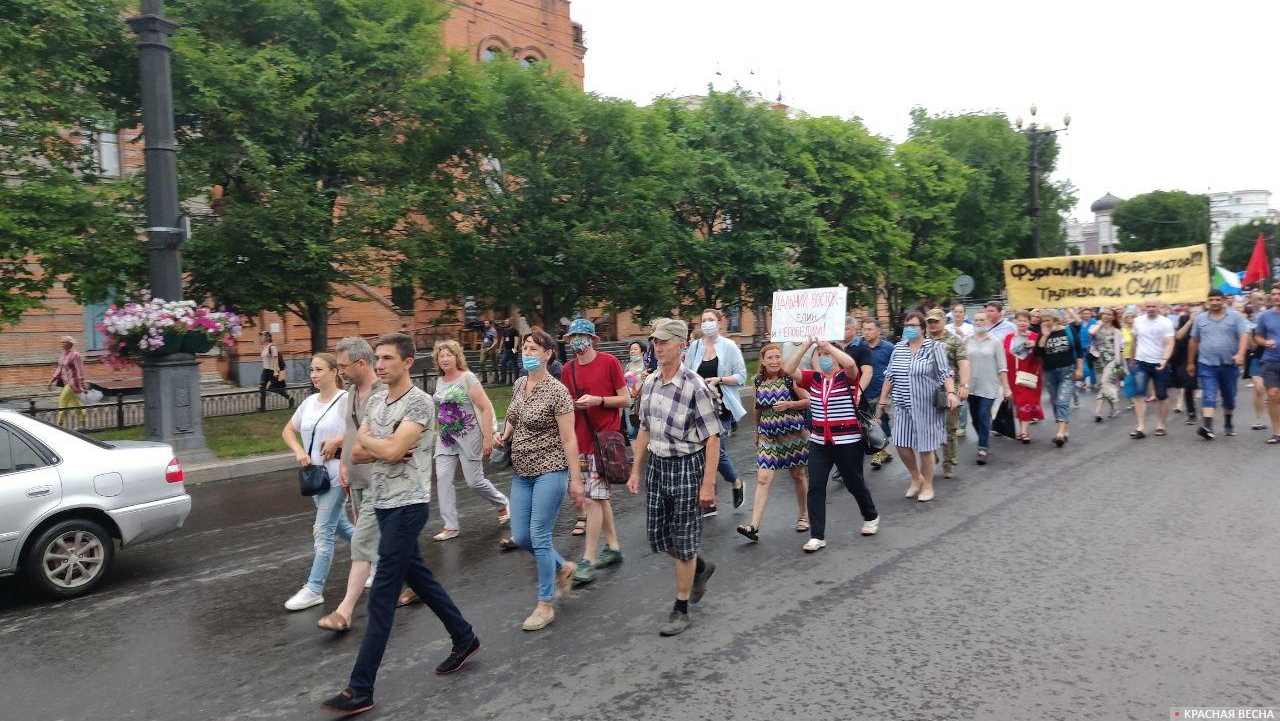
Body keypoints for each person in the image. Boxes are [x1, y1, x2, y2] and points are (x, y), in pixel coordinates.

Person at [322, 334, 479, 715]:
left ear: (408, 362)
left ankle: (360, 688)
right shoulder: (375, 400)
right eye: (377, 358)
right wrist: (384, 444)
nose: (380, 365)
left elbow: (386, 449)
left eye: (388, 358)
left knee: (382, 595)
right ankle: (464, 636)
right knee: (420, 577)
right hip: (380, 502)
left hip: (409, 506)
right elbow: (358, 449)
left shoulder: (421, 403)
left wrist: (382, 444)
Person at [627, 318, 722, 637]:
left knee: (682, 541)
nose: (658, 346)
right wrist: (635, 470)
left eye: (664, 341)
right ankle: (699, 566)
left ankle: (680, 609)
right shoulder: (650, 382)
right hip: (657, 465)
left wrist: (708, 483)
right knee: (658, 537)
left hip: (687, 466)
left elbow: (712, 437)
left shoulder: (695, 385)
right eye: (655, 341)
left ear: (682, 345)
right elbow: (643, 428)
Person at [495, 329, 585, 630]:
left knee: (540, 535)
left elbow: (569, 438)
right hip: (522, 472)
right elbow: (513, 416)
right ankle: (563, 568)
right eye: (525, 348)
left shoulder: (558, 392)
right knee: (521, 537)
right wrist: (503, 436)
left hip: (551, 470)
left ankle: (545, 605)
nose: (527, 353)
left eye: (534, 349)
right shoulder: (520, 383)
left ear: (547, 354)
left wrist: (575, 480)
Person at [783, 337, 880, 551]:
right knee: (816, 486)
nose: (824, 357)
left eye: (827, 354)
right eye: (821, 355)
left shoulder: (846, 378)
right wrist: (808, 346)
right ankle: (817, 535)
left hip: (847, 442)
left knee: (854, 482)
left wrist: (830, 348)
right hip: (819, 442)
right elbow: (789, 369)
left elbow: (852, 365)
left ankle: (871, 516)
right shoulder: (813, 378)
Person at [317, 337, 384, 633]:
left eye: (343, 366)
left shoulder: (384, 393)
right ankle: (412, 584)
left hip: (380, 481)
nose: (340, 371)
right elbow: (350, 430)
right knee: (386, 542)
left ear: (361, 363)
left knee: (362, 541)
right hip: (356, 477)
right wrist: (344, 464)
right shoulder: (353, 392)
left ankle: (344, 610)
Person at [559, 319, 628, 585]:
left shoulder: (609, 362)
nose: (577, 340)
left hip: (605, 441)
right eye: (572, 336)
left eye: (581, 335)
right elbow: (565, 403)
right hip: (581, 440)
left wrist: (598, 401)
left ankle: (587, 560)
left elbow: (625, 398)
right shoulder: (568, 369)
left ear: (592, 338)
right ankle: (613, 547)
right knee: (600, 498)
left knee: (594, 498)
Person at [280, 353, 352, 612]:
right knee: (341, 527)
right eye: (312, 369)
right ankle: (377, 558)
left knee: (323, 532)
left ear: (334, 372)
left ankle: (314, 588)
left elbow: (361, 429)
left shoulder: (345, 400)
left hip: (336, 476)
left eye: (319, 369)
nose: (314, 374)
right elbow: (288, 430)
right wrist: (299, 452)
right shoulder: (309, 403)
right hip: (315, 478)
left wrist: (339, 441)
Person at [430, 340, 509, 542]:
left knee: (474, 482)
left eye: (449, 354)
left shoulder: (467, 378)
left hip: (470, 436)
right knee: (443, 479)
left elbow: (486, 408)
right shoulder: (440, 381)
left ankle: (501, 503)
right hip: (446, 439)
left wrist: (487, 438)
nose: (445, 359)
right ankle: (450, 525)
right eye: (441, 355)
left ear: (457, 357)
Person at [879, 312, 958, 502]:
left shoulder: (934, 347)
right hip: (902, 405)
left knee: (925, 448)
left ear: (922, 328)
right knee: (901, 443)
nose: (909, 329)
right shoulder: (898, 348)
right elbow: (890, 375)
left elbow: (944, 373)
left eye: (913, 325)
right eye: (906, 325)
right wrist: (882, 400)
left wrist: (951, 393)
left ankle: (928, 485)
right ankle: (916, 477)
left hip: (926, 407)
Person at [737, 343, 810, 541]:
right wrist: (757, 429)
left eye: (778, 357)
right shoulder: (757, 381)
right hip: (768, 435)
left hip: (793, 435)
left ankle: (803, 515)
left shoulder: (789, 378)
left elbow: (808, 401)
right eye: (770, 357)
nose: (775, 361)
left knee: (797, 476)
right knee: (763, 478)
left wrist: (790, 404)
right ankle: (754, 526)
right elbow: (757, 408)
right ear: (763, 360)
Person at [682, 308, 748, 516]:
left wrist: (720, 380)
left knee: (715, 451)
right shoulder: (695, 346)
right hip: (699, 407)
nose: (707, 323)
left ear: (720, 322)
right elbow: (686, 372)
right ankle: (709, 500)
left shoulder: (729, 347)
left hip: (721, 406)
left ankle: (736, 481)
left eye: (711, 320)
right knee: (701, 453)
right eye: (703, 320)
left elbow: (742, 376)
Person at [1189, 289, 1250, 440]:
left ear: (1223, 301)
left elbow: (1243, 335)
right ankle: (1208, 427)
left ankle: (1228, 423)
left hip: (1229, 364)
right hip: (1207, 364)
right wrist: (1190, 362)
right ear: (1207, 302)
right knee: (1208, 393)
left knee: (1229, 397)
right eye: (1211, 300)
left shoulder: (1235, 317)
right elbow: (1194, 341)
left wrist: (1241, 354)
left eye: (1217, 299)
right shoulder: (1200, 319)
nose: (1214, 302)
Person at [925, 308, 969, 478]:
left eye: (936, 321)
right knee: (927, 428)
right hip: (927, 391)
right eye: (930, 321)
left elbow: (963, 363)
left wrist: (964, 385)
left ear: (944, 321)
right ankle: (931, 456)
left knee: (949, 429)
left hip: (950, 390)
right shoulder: (923, 341)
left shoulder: (954, 341)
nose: (933, 324)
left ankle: (949, 463)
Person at [964, 310, 1010, 465]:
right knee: (975, 419)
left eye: (982, 320)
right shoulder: (967, 340)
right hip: (971, 386)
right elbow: (961, 363)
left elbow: (1002, 367)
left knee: (984, 415)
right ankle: (984, 437)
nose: (978, 323)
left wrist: (1006, 387)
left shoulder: (995, 341)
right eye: (976, 320)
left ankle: (982, 448)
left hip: (989, 385)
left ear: (987, 321)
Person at [1034, 310, 1083, 447]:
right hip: (1050, 372)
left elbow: (1079, 351)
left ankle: (1060, 433)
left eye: (1048, 320)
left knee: (1063, 400)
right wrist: (1044, 337)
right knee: (1055, 401)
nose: (1045, 323)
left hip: (1067, 371)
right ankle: (1063, 428)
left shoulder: (1068, 330)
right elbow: (1037, 353)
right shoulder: (1042, 334)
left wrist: (1079, 369)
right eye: (1043, 321)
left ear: (1055, 320)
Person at [1130, 298, 1176, 439]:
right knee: (1138, 394)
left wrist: (1164, 359)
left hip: (1159, 363)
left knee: (1162, 395)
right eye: (1148, 306)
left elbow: (1169, 343)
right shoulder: (1138, 321)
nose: (1151, 308)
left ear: (1159, 307)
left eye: (1153, 306)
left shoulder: (1165, 322)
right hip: (1141, 362)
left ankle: (1161, 425)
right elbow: (1135, 341)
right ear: (1144, 307)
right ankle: (1141, 427)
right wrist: (1132, 360)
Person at [858, 319, 896, 470]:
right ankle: (881, 451)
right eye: (864, 329)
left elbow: (894, 370)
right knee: (869, 425)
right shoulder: (860, 348)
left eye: (870, 329)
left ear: (878, 331)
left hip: (884, 393)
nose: (866, 332)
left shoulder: (889, 348)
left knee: (882, 423)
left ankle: (879, 452)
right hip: (865, 392)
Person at [1004, 310, 1044, 442]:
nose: (1022, 323)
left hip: (1028, 373)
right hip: (1011, 374)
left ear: (1029, 322)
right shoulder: (1009, 337)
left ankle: (1024, 431)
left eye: (1025, 320)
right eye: (1019, 320)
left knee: (1024, 401)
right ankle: (1023, 427)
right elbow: (1005, 354)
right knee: (1017, 402)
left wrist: (1034, 346)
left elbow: (1041, 355)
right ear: (1015, 321)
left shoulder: (1035, 336)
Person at [1250, 286, 1280, 444]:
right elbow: (1258, 337)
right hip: (1271, 360)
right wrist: (1265, 342)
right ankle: (1277, 432)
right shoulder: (1265, 316)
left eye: (1279, 294)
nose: (1276, 296)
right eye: (1274, 294)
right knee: (1273, 395)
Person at [1089, 308, 1126, 422]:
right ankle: (1114, 407)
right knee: (1103, 385)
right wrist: (1100, 324)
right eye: (1104, 314)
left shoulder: (1117, 332)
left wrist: (1123, 366)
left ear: (1113, 317)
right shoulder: (1096, 327)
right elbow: (1091, 333)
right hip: (1098, 360)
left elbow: (1121, 349)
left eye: (1108, 314)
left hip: (1112, 361)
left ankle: (1098, 411)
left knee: (1105, 383)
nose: (1105, 316)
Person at [49, 336, 87, 427]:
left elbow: (79, 369)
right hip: (66, 382)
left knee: (62, 399)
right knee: (76, 403)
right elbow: (59, 369)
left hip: (73, 382)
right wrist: (51, 380)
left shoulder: (75, 355)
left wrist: (81, 381)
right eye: (61, 343)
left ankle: (59, 424)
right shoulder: (62, 355)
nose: (61, 344)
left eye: (63, 342)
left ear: (69, 344)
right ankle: (83, 422)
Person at [1170, 307, 1199, 423]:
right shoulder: (1184, 318)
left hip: (1203, 355)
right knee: (1188, 384)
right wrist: (1190, 321)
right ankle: (1191, 413)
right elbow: (1178, 336)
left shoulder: (1206, 317)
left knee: (1207, 384)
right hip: (1185, 357)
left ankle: (1208, 410)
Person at [1243, 306, 1269, 432]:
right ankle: (1260, 419)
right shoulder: (1254, 328)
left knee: (1274, 393)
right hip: (1257, 358)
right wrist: (1248, 336)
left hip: (1274, 359)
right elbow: (1253, 347)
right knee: (1259, 389)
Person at [622, 341, 649, 440]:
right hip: (629, 403)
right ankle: (635, 455)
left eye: (635, 349)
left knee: (644, 430)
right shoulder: (628, 366)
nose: (632, 351)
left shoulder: (646, 366)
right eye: (631, 349)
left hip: (641, 403)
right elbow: (624, 382)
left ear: (642, 352)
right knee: (631, 432)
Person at [258, 331, 292, 405]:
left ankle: (289, 398)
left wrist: (276, 371)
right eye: (261, 336)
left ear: (268, 337)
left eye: (263, 336)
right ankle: (262, 408)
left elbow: (275, 360)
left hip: (272, 370)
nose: (261, 337)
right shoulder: (264, 347)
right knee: (262, 388)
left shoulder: (272, 347)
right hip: (265, 370)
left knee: (274, 388)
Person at [1071, 308, 1098, 391]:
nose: (1087, 315)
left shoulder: (1094, 322)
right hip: (1079, 348)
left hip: (1091, 348)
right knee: (1081, 366)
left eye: (1089, 313)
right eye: (1085, 313)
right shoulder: (1078, 323)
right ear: (1081, 314)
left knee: (1091, 366)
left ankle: (1093, 383)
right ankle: (1082, 381)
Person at [499, 318, 520, 384]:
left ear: (510, 322)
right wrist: (500, 348)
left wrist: (515, 348)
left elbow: (516, 339)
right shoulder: (505, 331)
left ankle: (516, 380)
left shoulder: (514, 331)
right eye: (505, 321)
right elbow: (502, 340)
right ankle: (503, 379)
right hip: (506, 350)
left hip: (512, 350)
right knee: (503, 362)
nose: (506, 322)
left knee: (514, 364)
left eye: (507, 321)